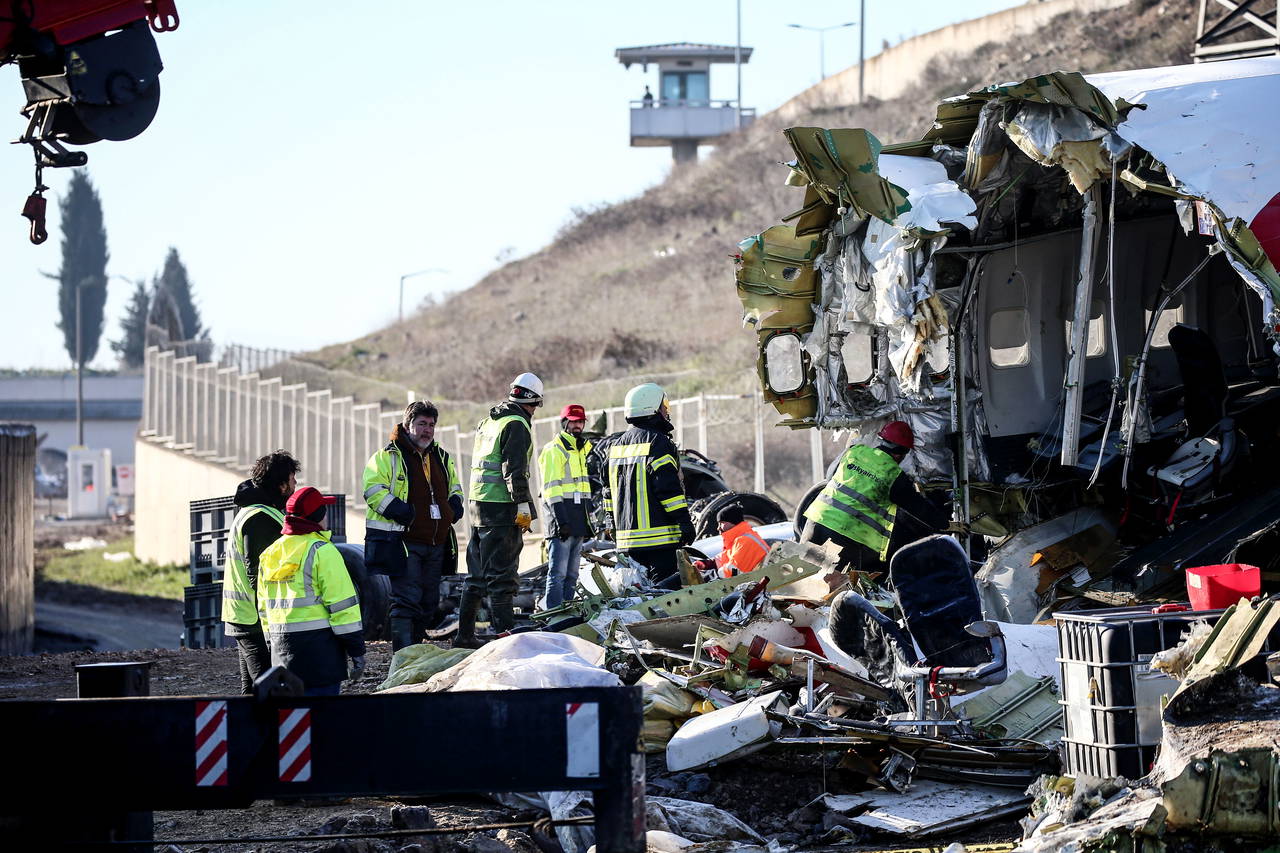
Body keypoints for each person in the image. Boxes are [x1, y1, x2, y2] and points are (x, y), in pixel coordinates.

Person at [362, 401, 464, 651]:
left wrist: (454, 506)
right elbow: (373, 490)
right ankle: (403, 658)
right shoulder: (387, 456)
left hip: (436, 544)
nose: (427, 430)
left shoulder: (441, 456)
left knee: (428, 604)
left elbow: (456, 487)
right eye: (421, 424)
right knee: (406, 602)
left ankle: (415, 653)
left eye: (431, 425)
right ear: (408, 426)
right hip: (404, 543)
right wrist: (403, 513)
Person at [455, 372, 542, 647]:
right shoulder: (517, 424)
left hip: (477, 505)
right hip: (501, 508)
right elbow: (514, 471)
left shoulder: (490, 420)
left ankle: (464, 635)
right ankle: (506, 638)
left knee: (477, 574)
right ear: (533, 402)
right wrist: (524, 508)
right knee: (502, 576)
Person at [258, 487, 365, 696]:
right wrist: (356, 650)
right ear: (318, 517)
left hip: (282, 654)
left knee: (291, 722)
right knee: (322, 721)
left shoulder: (270, 553)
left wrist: (273, 645)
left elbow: (264, 609)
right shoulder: (322, 551)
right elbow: (343, 607)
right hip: (320, 655)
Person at [800, 420, 948, 572]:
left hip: (817, 521)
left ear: (882, 440)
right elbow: (918, 507)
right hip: (847, 535)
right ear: (902, 454)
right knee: (832, 585)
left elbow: (830, 476)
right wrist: (946, 525)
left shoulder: (855, 451)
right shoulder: (893, 475)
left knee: (804, 575)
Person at [221, 450, 299, 694]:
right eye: (292, 479)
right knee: (268, 688)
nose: (295, 484)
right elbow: (260, 575)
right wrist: (272, 620)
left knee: (252, 690)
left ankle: (245, 731)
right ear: (280, 484)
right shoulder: (260, 517)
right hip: (252, 618)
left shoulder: (259, 511)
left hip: (246, 615)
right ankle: (270, 732)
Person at [603, 383, 696, 584]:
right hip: (660, 540)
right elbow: (668, 490)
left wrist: (612, 524)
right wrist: (684, 523)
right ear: (651, 408)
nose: (666, 410)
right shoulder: (658, 443)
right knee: (663, 596)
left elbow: (607, 494)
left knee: (640, 595)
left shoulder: (615, 446)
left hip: (627, 542)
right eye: (664, 406)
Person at [538, 403, 593, 608]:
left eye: (580, 421)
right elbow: (551, 489)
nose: (578, 425)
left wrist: (586, 522)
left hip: (576, 519)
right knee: (557, 574)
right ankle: (553, 616)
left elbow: (583, 489)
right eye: (574, 421)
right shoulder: (555, 449)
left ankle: (568, 614)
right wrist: (562, 521)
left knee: (572, 575)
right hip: (561, 520)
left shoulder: (580, 450)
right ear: (564, 422)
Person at [702, 503, 769, 579]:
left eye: (721, 523)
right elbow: (726, 557)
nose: (718, 528)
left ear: (732, 522)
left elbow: (732, 571)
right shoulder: (740, 539)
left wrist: (709, 576)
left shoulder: (744, 541)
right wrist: (706, 564)